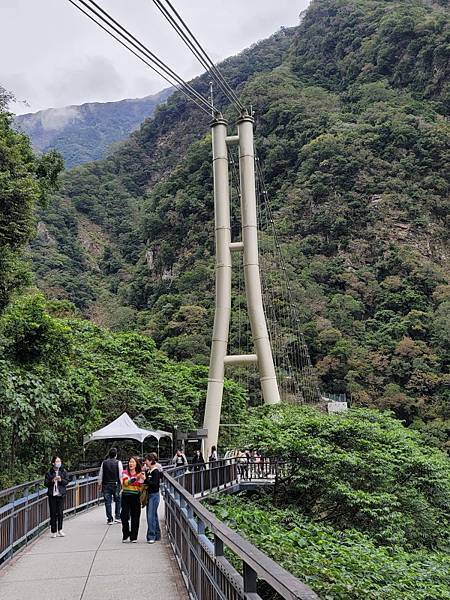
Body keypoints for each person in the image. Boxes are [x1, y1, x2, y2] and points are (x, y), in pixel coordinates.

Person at [44, 456, 70, 538]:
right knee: (53, 513)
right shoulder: (49, 473)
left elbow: (67, 482)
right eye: (57, 461)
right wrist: (52, 480)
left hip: (60, 495)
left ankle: (60, 529)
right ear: (53, 463)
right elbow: (46, 483)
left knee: (60, 513)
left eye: (60, 461)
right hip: (52, 495)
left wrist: (60, 480)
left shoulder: (63, 471)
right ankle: (53, 531)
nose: (59, 463)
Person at [121, 456, 144, 543]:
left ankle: (133, 537)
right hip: (126, 496)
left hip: (135, 496)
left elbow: (141, 484)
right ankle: (126, 534)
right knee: (124, 516)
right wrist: (135, 478)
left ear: (136, 464)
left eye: (133, 462)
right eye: (130, 462)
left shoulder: (140, 473)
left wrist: (139, 478)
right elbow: (125, 483)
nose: (131, 464)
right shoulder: (125, 472)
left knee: (135, 516)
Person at [97, 447, 123, 524]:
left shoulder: (104, 463)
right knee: (118, 501)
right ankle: (117, 517)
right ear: (116, 455)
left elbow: (101, 474)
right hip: (116, 484)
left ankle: (109, 519)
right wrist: (122, 484)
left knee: (107, 502)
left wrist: (99, 484)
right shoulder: (118, 462)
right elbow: (120, 474)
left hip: (106, 485)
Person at [144, 454, 162, 544]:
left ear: (151, 461)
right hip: (150, 494)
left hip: (154, 495)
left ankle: (151, 536)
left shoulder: (155, 471)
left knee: (150, 516)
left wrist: (145, 479)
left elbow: (155, 484)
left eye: (146, 460)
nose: (145, 462)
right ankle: (157, 534)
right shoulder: (149, 471)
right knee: (153, 515)